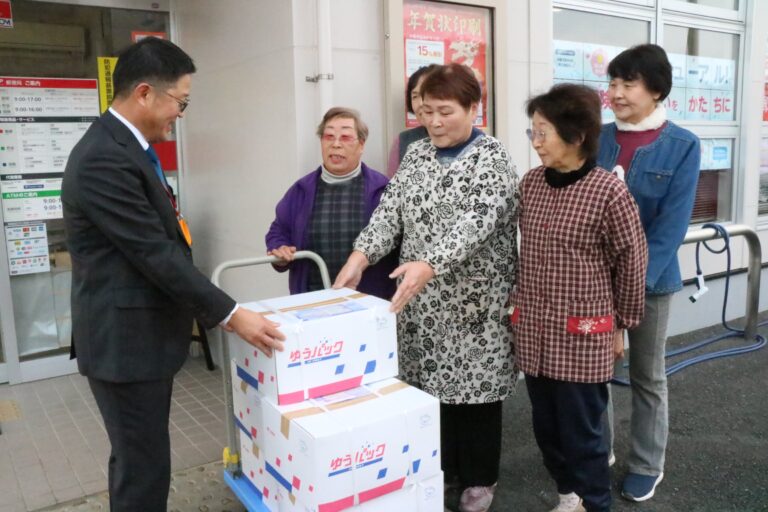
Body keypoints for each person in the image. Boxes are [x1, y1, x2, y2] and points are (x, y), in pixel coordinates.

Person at [61, 38, 285, 512]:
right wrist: (231, 313)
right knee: (143, 469)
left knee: (141, 461)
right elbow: (154, 253)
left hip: (137, 341)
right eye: (180, 101)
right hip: (123, 345)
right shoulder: (104, 157)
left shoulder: (127, 147)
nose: (181, 113)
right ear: (145, 92)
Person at [334, 63, 519, 512]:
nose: (434, 122)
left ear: (474, 108)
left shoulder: (492, 159)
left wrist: (429, 263)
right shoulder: (416, 154)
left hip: (473, 301)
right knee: (429, 390)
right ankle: (442, 469)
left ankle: (479, 479)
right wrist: (360, 257)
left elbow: (476, 223)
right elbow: (390, 212)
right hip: (420, 302)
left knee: (474, 394)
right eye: (426, 112)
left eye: (446, 111)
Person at [514, 83, 647, 512]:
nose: (535, 143)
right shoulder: (531, 184)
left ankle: (595, 503)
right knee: (546, 429)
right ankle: (568, 496)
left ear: (576, 137)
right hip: (535, 331)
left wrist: (621, 327)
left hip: (582, 335)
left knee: (583, 435)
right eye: (531, 132)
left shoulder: (609, 192)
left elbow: (631, 263)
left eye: (543, 133)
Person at [597, 44, 701, 502]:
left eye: (627, 83)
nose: (616, 92)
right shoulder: (595, 137)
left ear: (656, 90)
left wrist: (629, 291)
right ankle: (598, 449)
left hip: (651, 284)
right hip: (592, 277)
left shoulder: (682, 144)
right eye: (613, 82)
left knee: (646, 374)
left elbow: (670, 228)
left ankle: (646, 462)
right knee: (592, 370)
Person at [265, 107, 397, 299]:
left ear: (361, 144)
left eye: (345, 137)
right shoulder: (301, 190)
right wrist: (280, 249)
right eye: (328, 137)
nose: (335, 144)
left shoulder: (384, 189)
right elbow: (278, 230)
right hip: (312, 298)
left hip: (369, 299)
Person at [385, 64, 439, 177]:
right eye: (415, 96)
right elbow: (392, 188)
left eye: (428, 94)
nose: (421, 104)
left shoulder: (475, 142)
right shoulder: (404, 140)